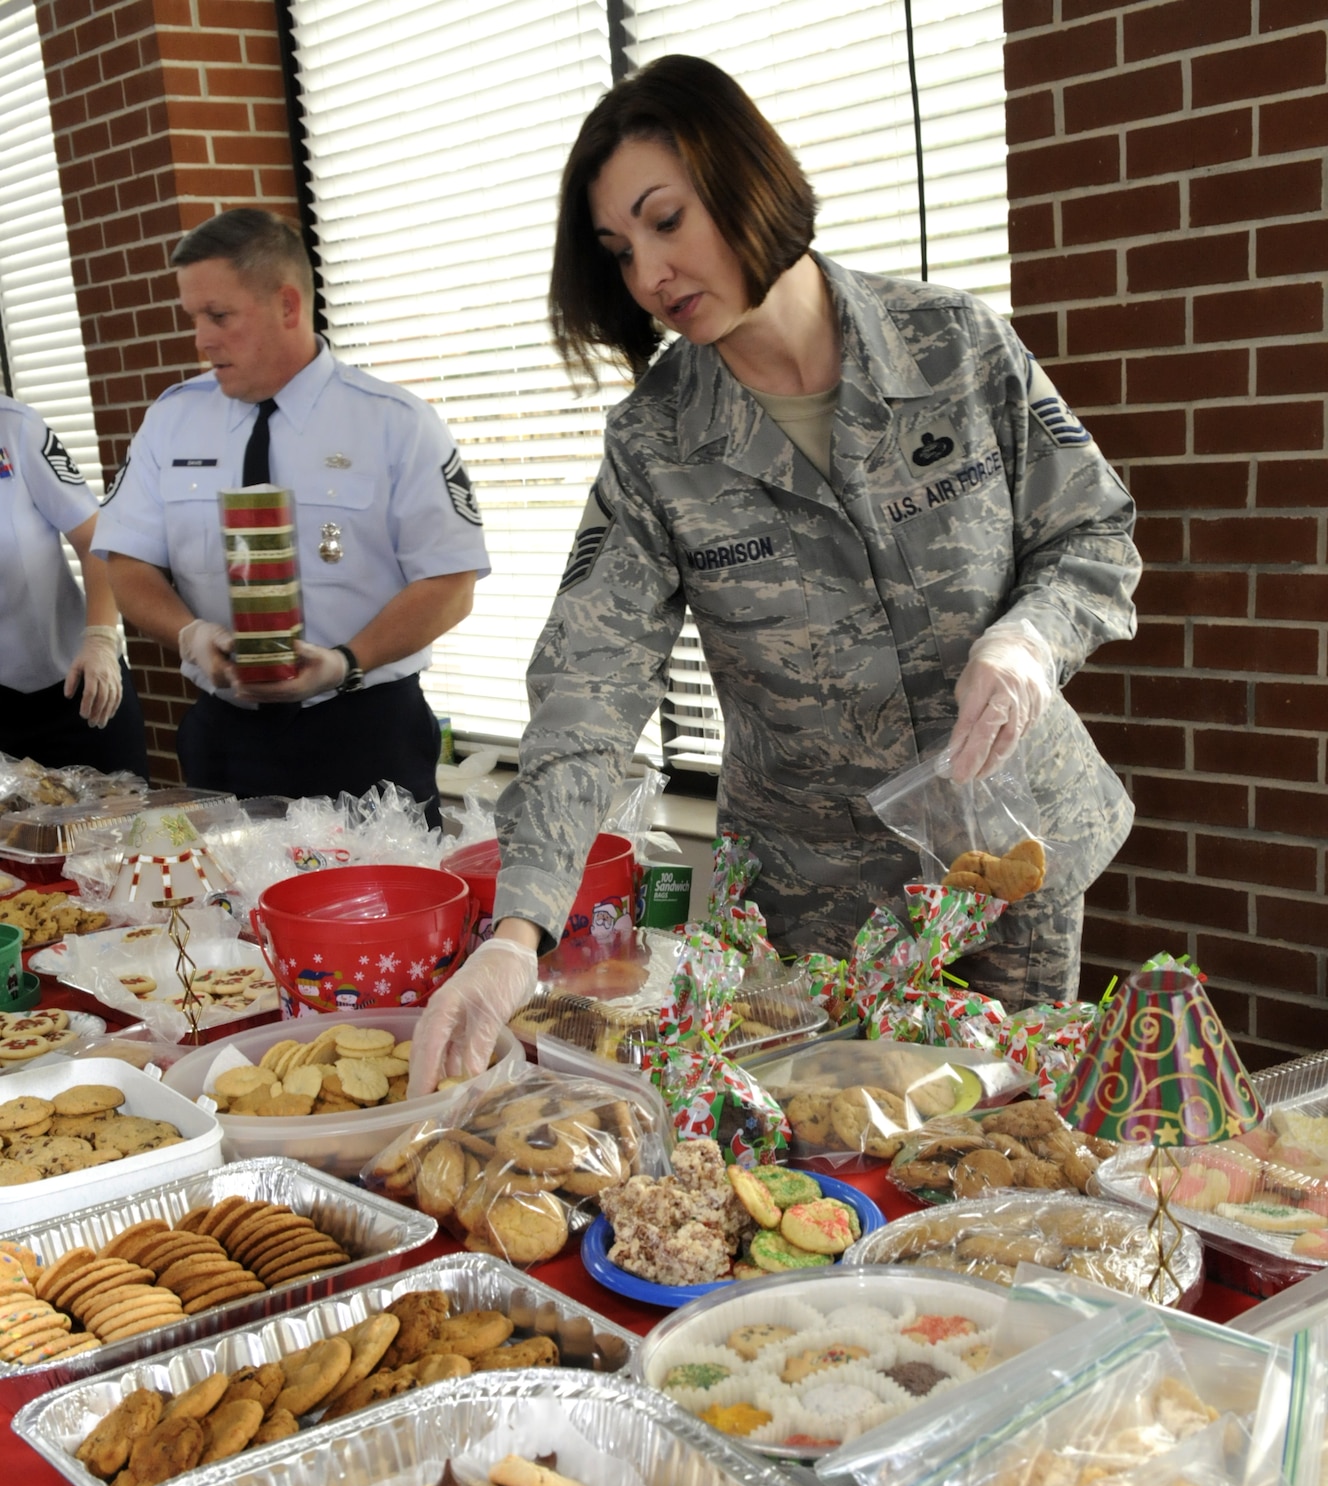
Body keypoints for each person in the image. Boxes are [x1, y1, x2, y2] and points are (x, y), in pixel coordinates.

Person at [410, 57, 1139, 1089]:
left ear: (748, 179)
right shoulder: (656, 445)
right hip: (820, 907)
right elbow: (588, 684)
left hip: (1012, 854)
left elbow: (1092, 535)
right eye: (621, 252)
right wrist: (513, 932)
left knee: (1010, 1150)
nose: (650, 275)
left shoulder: (951, 347)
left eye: (666, 220)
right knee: (834, 1174)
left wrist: (1031, 638)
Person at [95, 209, 488, 813]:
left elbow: (451, 584)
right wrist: (190, 632)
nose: (201, 339)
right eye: (194, 318)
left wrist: (344, 663)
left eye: (219, 316)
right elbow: (127, 564)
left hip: (366, 732)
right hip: (226, 738)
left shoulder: (393, 423)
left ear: (286, 305)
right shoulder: (172, 421)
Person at [0, 395, 149, 779]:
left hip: (77, 693)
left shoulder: (15, 428)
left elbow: (95, 539)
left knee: (124, 834)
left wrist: (100, 639)